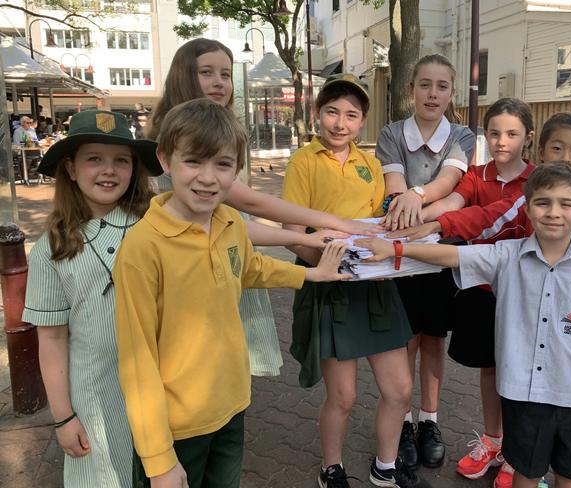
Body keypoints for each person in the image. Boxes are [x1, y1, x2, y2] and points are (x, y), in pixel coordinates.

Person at [113, 98, 350, 488]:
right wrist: (158, 462)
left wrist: (311, 276)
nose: (208, 178)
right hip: (176, 427)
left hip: (231, 404)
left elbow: (249, 268)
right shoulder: (143, 248)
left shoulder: (228, 222)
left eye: (222, 164)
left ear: (236, 170)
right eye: (193, 161)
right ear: (165, 159)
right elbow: (137, 360)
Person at [390, 112, 571, 487]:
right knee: (503, 376)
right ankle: (506, 450)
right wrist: (433, 228)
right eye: (557, 148)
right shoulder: (525, 203)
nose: (566, 156)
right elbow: (483, 218)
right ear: (542, 151)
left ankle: (561, 468)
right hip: (526, 320)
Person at [148, 37, 380, 377]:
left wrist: (317, 243)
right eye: (207, 73)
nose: (219, 83)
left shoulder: (216, 132)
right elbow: (252, 202)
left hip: (228, 259)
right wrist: (331, 226)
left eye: (226, 74)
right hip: (192, 270)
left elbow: (237, 227)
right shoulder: (175, 138)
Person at [282, 74, 430, 488]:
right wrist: (327, 264)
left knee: (400, 389)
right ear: (317, 114)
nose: (340, 123)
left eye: (351, 114)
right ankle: (332, 468)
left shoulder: (370, 164)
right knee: (343, 397)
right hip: (331, 286)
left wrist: (390, 242)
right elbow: (293, 226)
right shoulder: (304, 161)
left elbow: (379, 223)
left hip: (376, 288)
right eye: (332, 112)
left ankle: (385, 467)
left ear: (362, 121)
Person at [22, 109, 163, 487]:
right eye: (94, 159)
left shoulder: (157, 226)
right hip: (94, 395)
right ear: (70, 168)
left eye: (121, 160)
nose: (109, 170)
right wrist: (64, 417)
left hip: (164, 387)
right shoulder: (51, 249)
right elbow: (51, 338)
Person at [408, 98, 535, 485]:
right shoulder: (476, 175)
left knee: (520, 372)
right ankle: (493, 441)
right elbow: (454, 201)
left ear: (527, 138)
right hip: (481, 290)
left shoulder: (537, 181)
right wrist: (416, 208)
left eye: (512, 134)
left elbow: (478, 220)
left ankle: (518, 453)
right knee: (489, 368)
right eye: (494, 133)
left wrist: (434, 225)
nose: (502, 141)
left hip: (526, 294)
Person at [374, 53, 475, 470]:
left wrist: (418, 203)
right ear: (410, 89)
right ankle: (405, 421)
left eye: (442, 86)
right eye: (425, 85)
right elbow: (393, 189)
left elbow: (452, 185)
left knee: (434, 339)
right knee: (406, 341)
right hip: (400, 251)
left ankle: (429, 421)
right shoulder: (391, 133)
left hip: (438, 250)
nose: (433, 94)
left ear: (452, 92)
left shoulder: (464, 135)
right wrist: (410, 200)